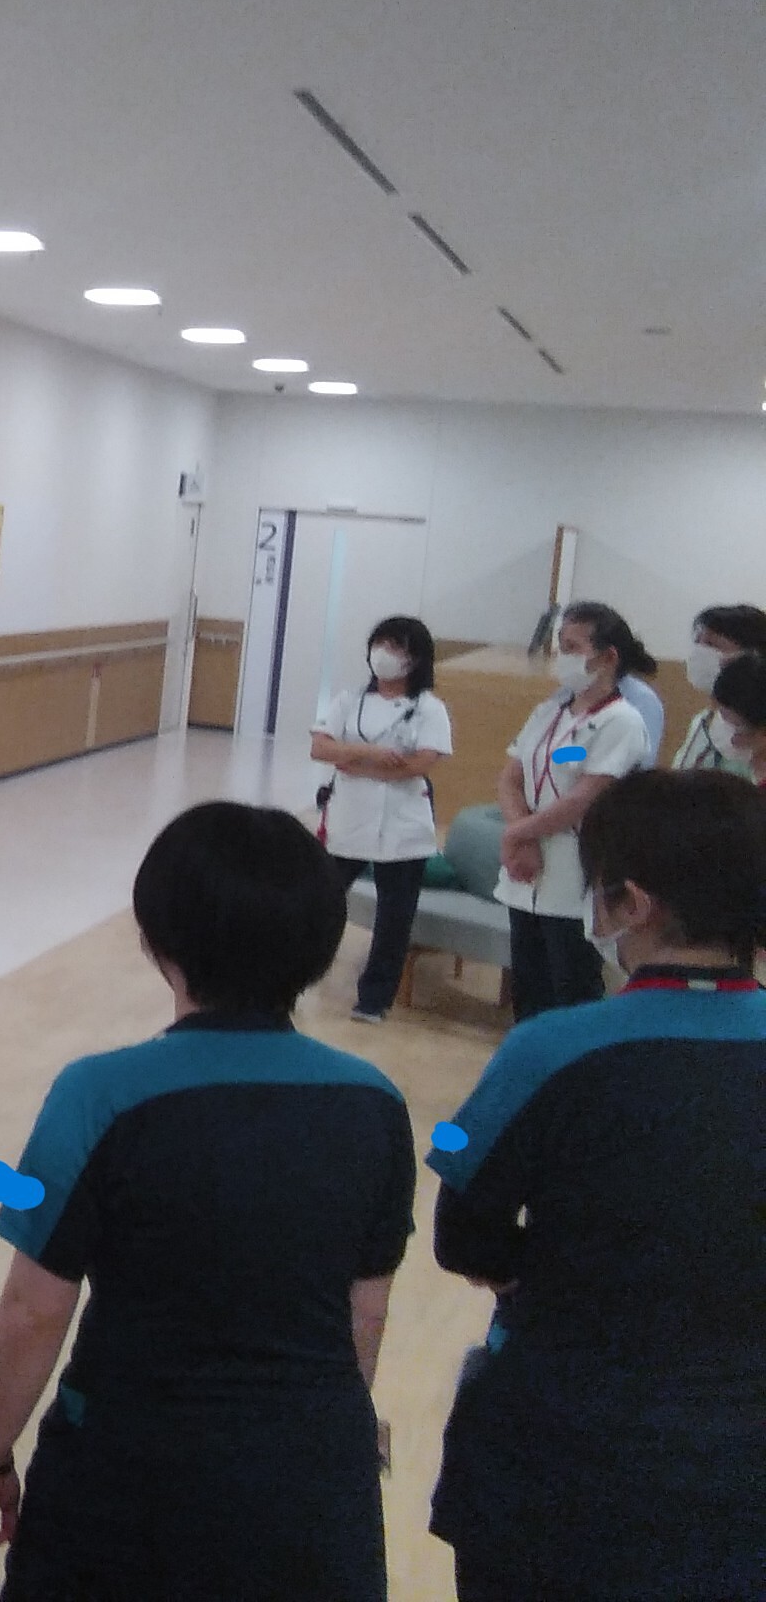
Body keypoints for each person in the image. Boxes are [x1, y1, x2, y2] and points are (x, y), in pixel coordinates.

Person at [0, 802, 414, 1602]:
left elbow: (34, 1308)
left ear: (157, 940)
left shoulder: (96, 1094)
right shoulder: (376, 1103)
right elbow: (364, 1314)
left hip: (126, 1478)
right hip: (312, 1485)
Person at [428, 770, 766, 1601]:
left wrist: (522, 1257)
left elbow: (461, 1226)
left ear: (633, 904)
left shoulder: (546, 1048)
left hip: (559, 1455)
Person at [496, 601, 651, 1018]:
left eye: (571, 647)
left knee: (571, 989)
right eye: (559, 645)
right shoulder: (548, 712)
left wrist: (517, 833)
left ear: (608, 657)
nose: (561, 656)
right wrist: (523, 836)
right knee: (528, 987)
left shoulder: (622, 722)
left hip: (575, 872)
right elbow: (510, 778)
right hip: (526, 867)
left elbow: (584, 797)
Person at [311, 614, 453, 1023]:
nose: (385, 654)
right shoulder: (349, 700)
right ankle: (301, 976)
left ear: (416, 659)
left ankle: (374, 999)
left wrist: (352, 761)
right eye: (381, 644)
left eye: (396, 647)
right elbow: (320, 748)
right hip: (349, 818)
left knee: (394, 917)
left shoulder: (429, 708)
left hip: (403, 825)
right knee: (321, 902)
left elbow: (420, 763)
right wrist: (371, 754)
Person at [672, 603, 766, 772]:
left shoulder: (756, 731)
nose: (699, 652)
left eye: (711, 644)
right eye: (697, 642)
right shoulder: (702, 721)